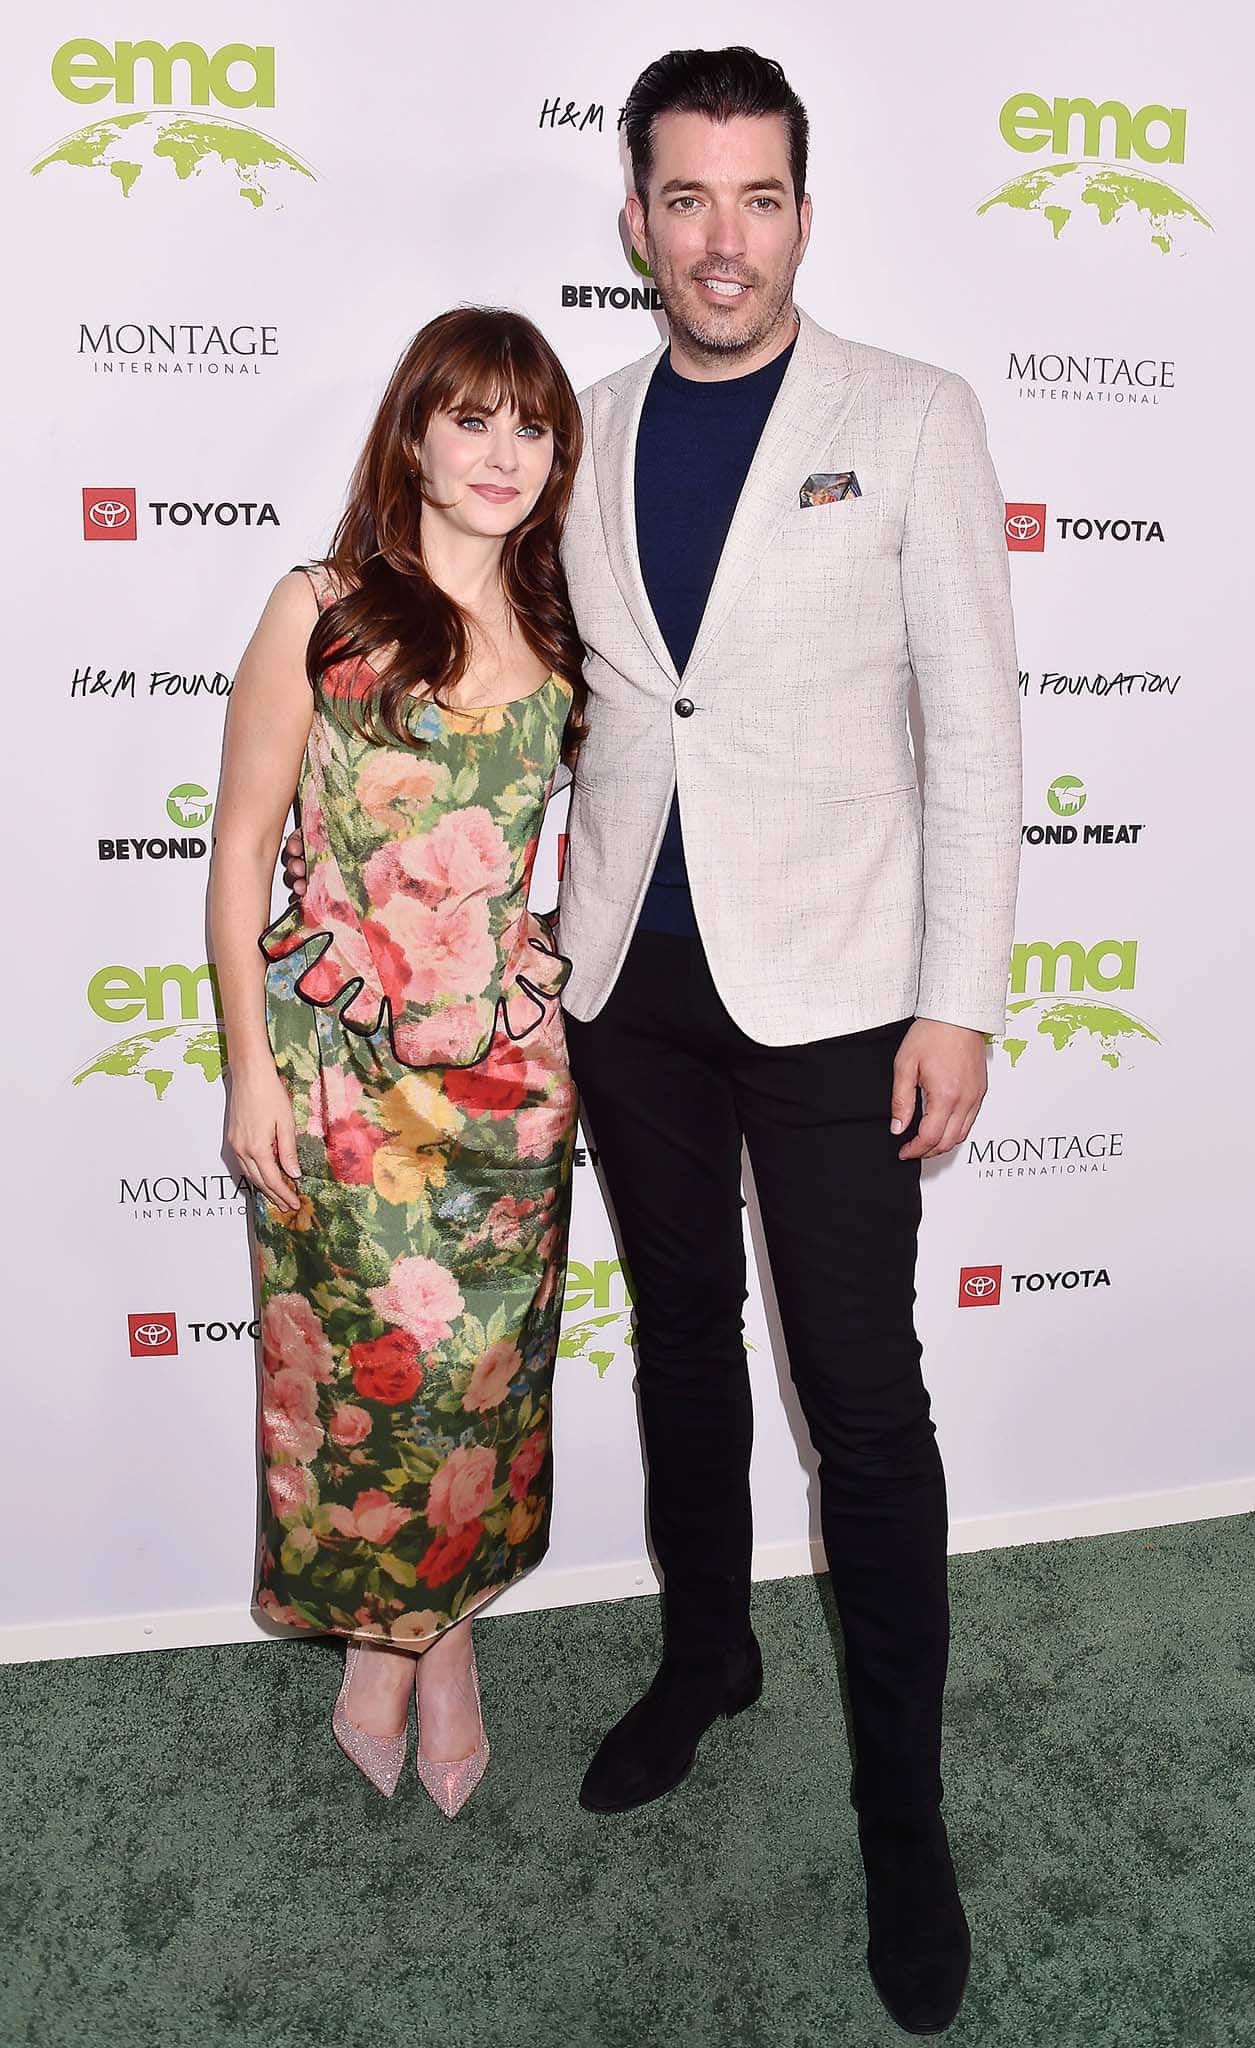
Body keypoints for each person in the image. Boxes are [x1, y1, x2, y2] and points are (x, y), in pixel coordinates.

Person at [283, 46, 1020, 2029]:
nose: (721, 235)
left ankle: (904, 1817)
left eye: (757, 196)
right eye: (684, 197)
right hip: (627, 992)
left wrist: (961, 995)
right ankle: (707, 1656)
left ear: (802, 213)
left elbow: (977, 735)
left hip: (846, 992)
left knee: (862, 1403)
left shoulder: (915, 418)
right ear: (634, 219)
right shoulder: (580, 436)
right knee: (683, 1348)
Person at [211, 307, 584, 1816]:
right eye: (474, 418)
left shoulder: (570, 630)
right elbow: (241, 851)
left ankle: (432, 1641)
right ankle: (414, 1646)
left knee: (483, 1388)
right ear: (414, 435)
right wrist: (248, 1071)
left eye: (534, 426)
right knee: (371, 1390)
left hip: (509, 1079)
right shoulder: (322, 609)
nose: (504, 453)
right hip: (340, 1081)